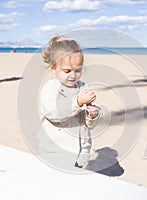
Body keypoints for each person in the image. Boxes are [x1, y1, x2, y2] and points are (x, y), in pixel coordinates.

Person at [37, 35, 102, 170]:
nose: (73, 75)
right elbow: (53, 113)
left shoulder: (83, 87)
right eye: (67, 71)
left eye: (78, 70)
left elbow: (89, 125)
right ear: (53, 68)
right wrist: (77, 102)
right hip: (55, 150)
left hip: (81, 150)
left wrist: (93, 115)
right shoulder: (51, 88)